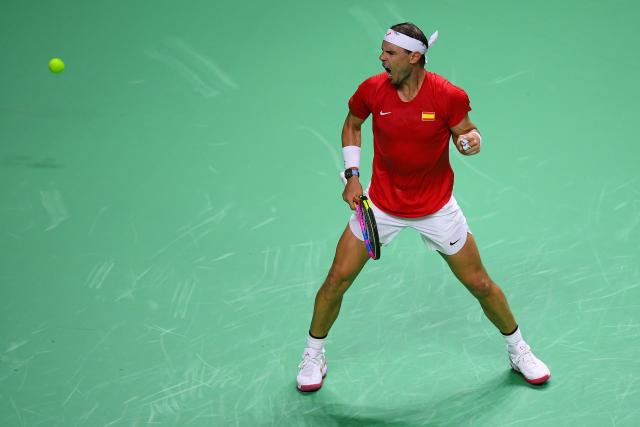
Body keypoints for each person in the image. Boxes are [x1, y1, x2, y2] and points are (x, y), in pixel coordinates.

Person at [296, 22, 550, 392]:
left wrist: (470, 140)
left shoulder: (448, 95)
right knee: (336, 280)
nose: (381, 58)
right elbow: (353, 123)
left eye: (390, 53)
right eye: (382, 51)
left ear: (415, 57)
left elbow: (466, 130)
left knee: (480, 283)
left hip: (436, 208)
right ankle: (313, 354)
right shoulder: (371, 90)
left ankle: (518, 349)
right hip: (380, 206)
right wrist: (352, 174)